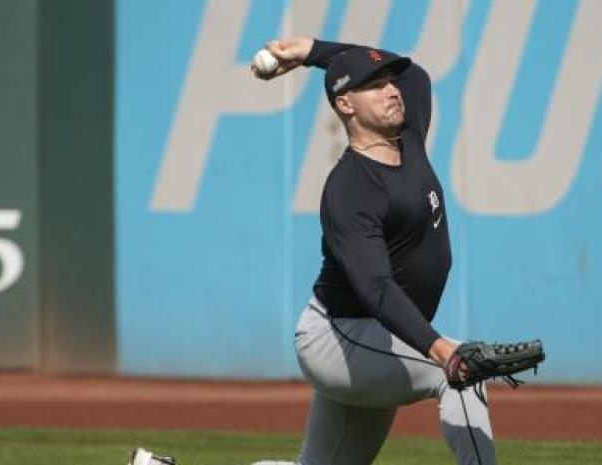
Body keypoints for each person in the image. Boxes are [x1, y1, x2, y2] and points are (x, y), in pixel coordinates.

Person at [131, 37, 498, 465]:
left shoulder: (409, 136)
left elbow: (414, 74)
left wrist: (312, 51)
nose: (392, 90)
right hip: (338, 336)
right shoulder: (350, 189)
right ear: (345, 105)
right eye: (375, 85)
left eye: (388, 81)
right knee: (462, 372)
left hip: (378, 337)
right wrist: (441, 350)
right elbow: (375, 288)